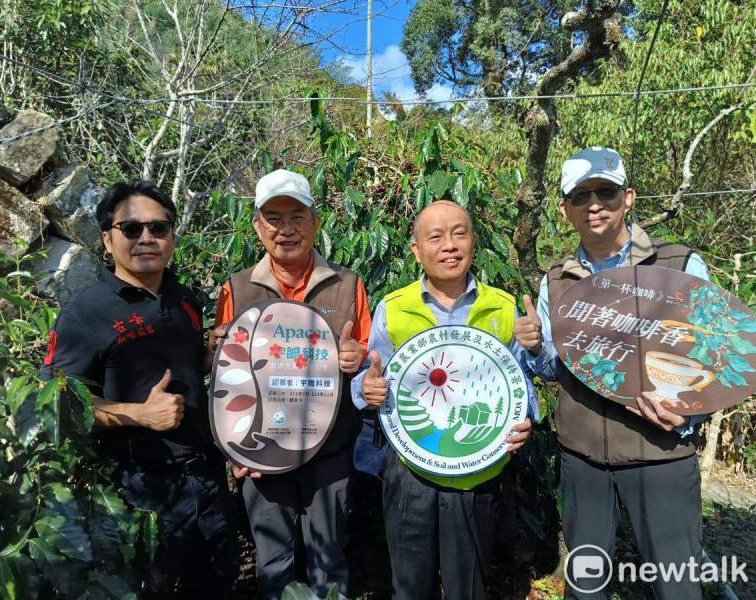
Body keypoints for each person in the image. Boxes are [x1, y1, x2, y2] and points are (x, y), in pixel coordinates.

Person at [515, 146, 710, 600]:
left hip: (660, 454)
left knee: (677, 586)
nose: (594, 204)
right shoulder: (556, 279)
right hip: (583, 462)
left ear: (629, 197)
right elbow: (551, 369)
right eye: (580, 196)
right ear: (565, 209)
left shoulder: (678, 265)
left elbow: (722, 358)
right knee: (586, 587)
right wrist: (536, 345)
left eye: (606, 191)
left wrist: (691, 417)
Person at [40, 180, 238, 597]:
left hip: (207, 478)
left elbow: (171, 367)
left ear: (172, 236)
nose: (146, 238)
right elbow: (57, 407)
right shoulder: (83, 315)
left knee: (218, 584)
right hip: (140, 491)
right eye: (131, 229)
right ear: (107, 241)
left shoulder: (184, 298)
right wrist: (138, 414)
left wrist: (204, 361)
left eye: (159, 228)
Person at [351, 200, 540, 600]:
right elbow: (366, 382)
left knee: (469, 587)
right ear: (417, 250)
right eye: (435, 237)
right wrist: (365, 389)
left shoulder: (504, 308)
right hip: (409, 472)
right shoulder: (394, 308)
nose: (449, 246)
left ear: (473, 241)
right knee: (410, 586)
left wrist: (526, 418)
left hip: (479, 471)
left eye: (458, 233)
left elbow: (520, 383)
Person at [213, 169, 371, 600]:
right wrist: (234, 448)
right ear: (257, 227)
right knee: (273, 561)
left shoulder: (347, 284)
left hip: (330, 452)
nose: (286, 230)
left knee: (330, 558)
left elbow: (368, 364)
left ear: (316, 222)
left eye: (297, 217)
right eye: (274, 218)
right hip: (262, 452)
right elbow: (224, 377)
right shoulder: (238, 289)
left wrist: (357, 360)